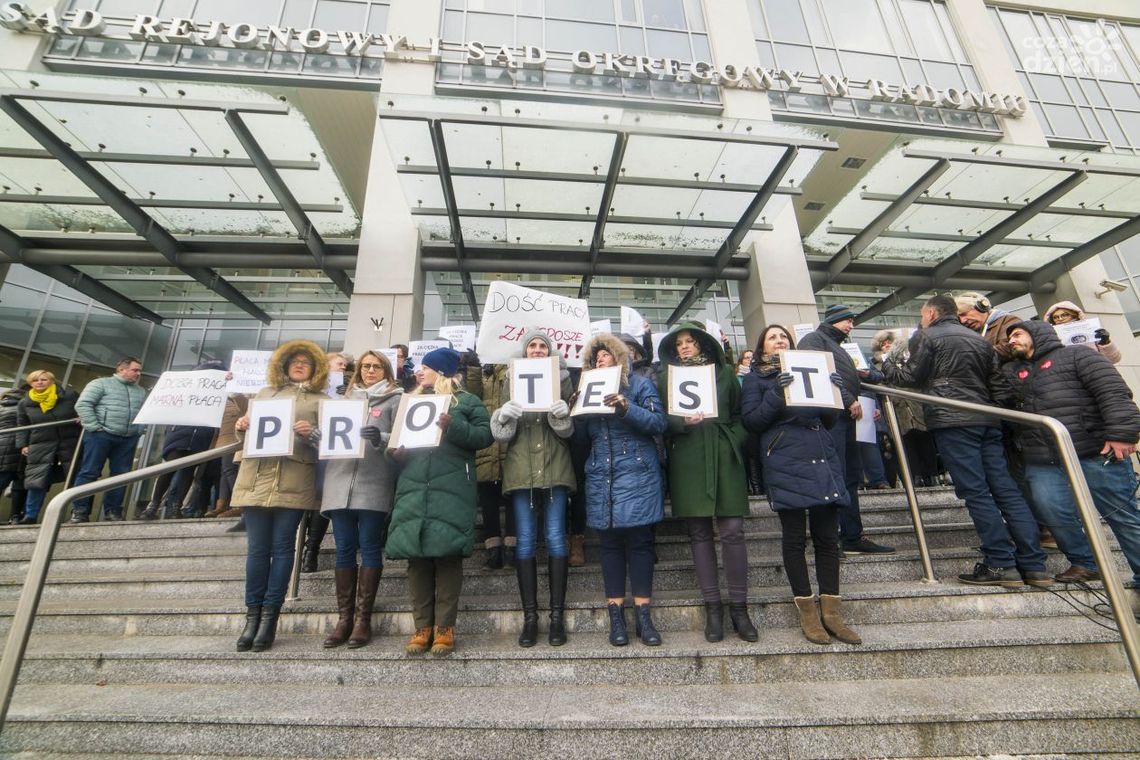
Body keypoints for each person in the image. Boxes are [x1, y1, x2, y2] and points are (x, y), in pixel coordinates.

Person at [881, 295, 1051, 587]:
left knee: (976, 492)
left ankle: (1000, 564)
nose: (921, 320)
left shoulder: (927, 336)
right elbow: (998, 386)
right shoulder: (979, 340)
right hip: (986, 420)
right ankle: (1034, 565)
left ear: (932, 313)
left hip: (953, 422)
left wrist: (886, 366)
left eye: (922, 315)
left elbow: (910, 377)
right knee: (1006, 490)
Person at [741, 325, 861, 645]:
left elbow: (829, 421)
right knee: (795, 539)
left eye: (784, 337)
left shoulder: (812, 370)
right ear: (763, 348)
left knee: (826, 539)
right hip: (785, 461)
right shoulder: (756, 380)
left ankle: (833, 613)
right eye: (773, 338)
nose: (780, 341)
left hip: (820, 457)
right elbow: (752, 422)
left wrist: (833, 396)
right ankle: (808, 613)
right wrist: (775, 394)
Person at [1003, 320, 1140, 586]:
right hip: (1042, 459)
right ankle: (1085, 563)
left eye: (1017, 334)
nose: (1011, 340)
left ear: (1038, 334)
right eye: (1009, 337)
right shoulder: (1012, 371)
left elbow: (1113, 394)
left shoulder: (1078, 355)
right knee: (1052, 511)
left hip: (1096, 451)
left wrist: (1122, 434)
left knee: (1121, 515)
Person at [386, 347, 493, 657]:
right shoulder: (412, 402)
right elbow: (394, 444)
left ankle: (444, 628)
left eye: (427, 368)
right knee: (416, 560)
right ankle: (422, 628)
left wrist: (454, 426)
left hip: (452, 488)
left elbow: (484, 438)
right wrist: (394, 454)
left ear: (442, 372)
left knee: (447, 558)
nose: (421, 372)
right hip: (414, 487)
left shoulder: (468, 402)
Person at [657, 322, 757, 643]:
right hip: (688, 457)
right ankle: (713, 608)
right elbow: (660, 419)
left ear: (702, 344)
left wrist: (734, 440)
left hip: (724, 454)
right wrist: (680, 423)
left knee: (732, 530)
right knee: (699, 532)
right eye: (679, 344)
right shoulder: (667, 378)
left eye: (690, 341)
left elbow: (742, 414)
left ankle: (739, 608)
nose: (684, 347)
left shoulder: (726, 373)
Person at [231, 340, 328, 652]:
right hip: (257, 478)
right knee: (257, 550)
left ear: (315, 367)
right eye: (294, 361)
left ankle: (271, 617)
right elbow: (246, 437)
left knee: (284, 548)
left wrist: (312, 433)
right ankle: (252, 616)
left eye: (305, 362)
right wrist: (242, 426)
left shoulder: (322, 400)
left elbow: (332, 442)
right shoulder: (264, 394)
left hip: (295, 478)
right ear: (283, 365)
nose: (299, 365)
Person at [575, 334, 668, 647]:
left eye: (606, 356)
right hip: (602, 475)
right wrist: (575, 412)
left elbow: (658, 423)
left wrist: (626, 407)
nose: (601, 360)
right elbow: (579, 443)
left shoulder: (639, 385)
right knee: (609, 546)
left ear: (618, 358)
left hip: (638, 475)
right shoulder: (586, 390)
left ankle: (644, 617)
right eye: (596, 358)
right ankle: (616, 618)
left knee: (641, 543)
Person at [489, 330, 575, 648]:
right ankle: (530, 619)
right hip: (522, 469)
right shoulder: (508, 379)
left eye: (542, 346)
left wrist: (562, 419)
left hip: (555, 465)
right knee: (524, 541)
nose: (537, 350)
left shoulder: (563, 379)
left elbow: (569, 432)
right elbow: (499, 433)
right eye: (532, 346)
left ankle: (555, 617)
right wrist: (503, 417)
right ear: (524, 353)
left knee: (554, 537)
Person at [319, 350, 402, 649]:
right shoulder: (341, 401)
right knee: (343, 550)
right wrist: (315, 435)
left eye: (376, 366)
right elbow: (328, 439)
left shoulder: (396, 400)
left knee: (368, 547)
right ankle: (344, 618)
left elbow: (401, 441)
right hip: (339, 481)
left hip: (373, 482)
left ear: (386, 370)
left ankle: (363, 619)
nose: (370, 371)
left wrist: (381, 438)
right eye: (366, 366)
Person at [798, 305, 894, 555]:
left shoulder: (838, 346)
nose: (851, 326)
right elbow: (818, 375)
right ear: (834, 320)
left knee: (850, 476)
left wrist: (865, 376)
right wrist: (847, 399)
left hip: (846, 418)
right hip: (831, 418)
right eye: (847, 321)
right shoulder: (814, 340)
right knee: (834, 475)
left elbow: (857, 376)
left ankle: (852, 535)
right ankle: (830, 539)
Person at [141, 360, 225, 521]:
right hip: (181, 433)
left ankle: (175, 507)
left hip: (200, 435)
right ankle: (154, 504)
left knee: (188, 471)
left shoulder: (217, 394)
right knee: (170, 468)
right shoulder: (186, 388)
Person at [71, 357, 147, 523]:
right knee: (89, 472)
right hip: (100, 435)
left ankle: (113, 512)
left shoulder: (140, 391)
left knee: (121, 475)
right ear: (122, 369)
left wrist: (139, 430)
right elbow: (83, 404)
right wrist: (94, 427)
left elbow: (143, 412)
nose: (138, 373)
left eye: (139, 370)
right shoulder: (100, 384)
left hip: (128, 438)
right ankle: (80, 511)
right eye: (135, 370)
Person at [300, 351, 353, 573]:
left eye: (345, 365)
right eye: (339, 364)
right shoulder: (306, 389)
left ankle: (311, 549)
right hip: (306, 452)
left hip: (330, 453)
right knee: (307, 504)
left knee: (323, 502)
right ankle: (304, 546)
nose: (343, 367)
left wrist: (348, 395)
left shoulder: (349, 389)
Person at [464, 353, 517, 570]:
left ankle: (512, 547)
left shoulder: (513, 374)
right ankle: (493, 548)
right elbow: (472, 396)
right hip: (485, 449)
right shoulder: (483, 376)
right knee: (488, 502)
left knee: (513, 500)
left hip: (509, 447)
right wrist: (474, 369)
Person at [16, 371, 80, 525]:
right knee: (36, 480)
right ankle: (30, 515)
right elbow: (22, 425)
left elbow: (83, 410)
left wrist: (81, 418)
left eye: (43, 379)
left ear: (52, 381)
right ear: (30, 383)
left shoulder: (69, 396)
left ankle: (78, 513)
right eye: (35, 380)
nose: (39, 382)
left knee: (76, 476)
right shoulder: (25, 402)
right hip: (40, 443)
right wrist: (23, 444)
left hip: (69, 442)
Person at [1044, 300, 1122, 365]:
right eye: (1055, 317)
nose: (1060, 319)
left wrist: (1106, 342)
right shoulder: (1049, 337)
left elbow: (1114, 359)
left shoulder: (1091, 330)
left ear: (1074, 315)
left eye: (1065, 315)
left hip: (1096, 371)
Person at [955, 292, 1022, 362]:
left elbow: (1010, 348)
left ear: (980, 307)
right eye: (959, 318)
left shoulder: (1008, 320)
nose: (963, 321)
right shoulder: (968, 334)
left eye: (964, 314)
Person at [1, 384, 28, 523]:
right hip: (17, 451)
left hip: (3, 450)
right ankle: (16, 516)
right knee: (20, 485)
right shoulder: (23, 407)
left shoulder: (2, 406)